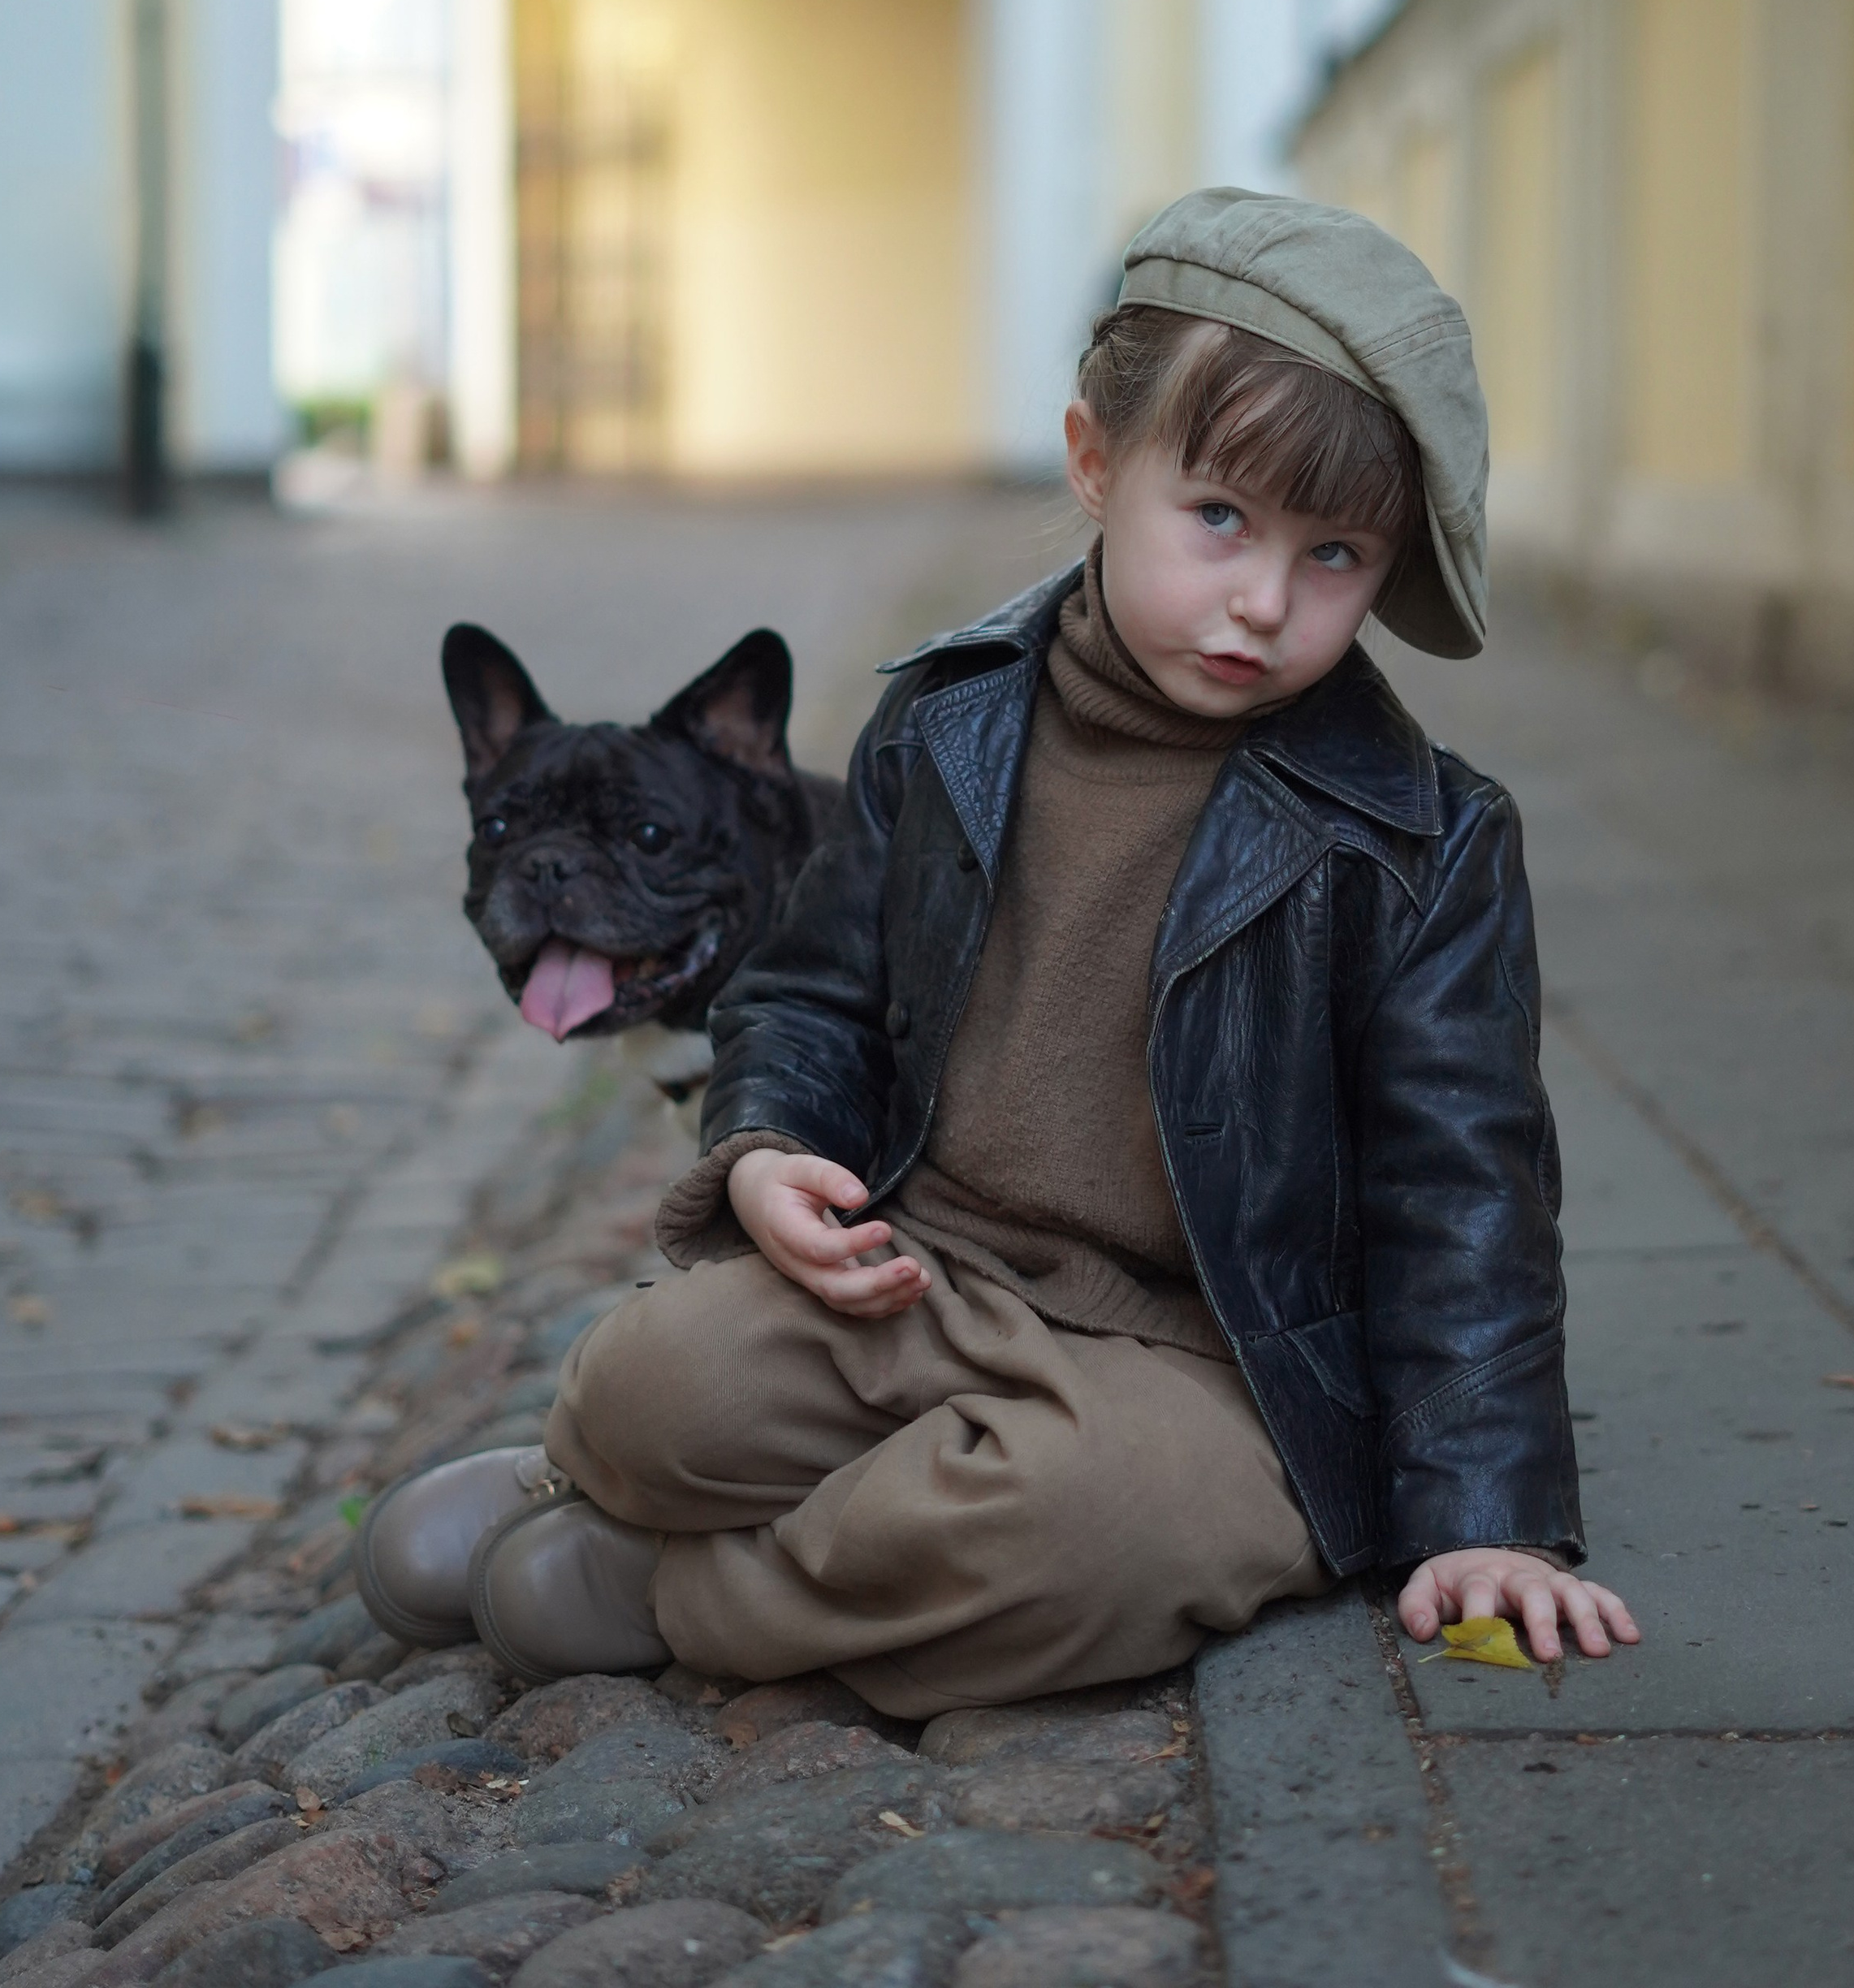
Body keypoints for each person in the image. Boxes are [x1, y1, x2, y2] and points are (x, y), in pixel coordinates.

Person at [355, 188, 1639, 1714]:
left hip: (1218, 1357)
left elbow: (1466, 1185)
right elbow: (812, 986)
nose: (1263, 600)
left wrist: (1489, 1518)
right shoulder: (950, 722)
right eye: (1218, 516)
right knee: (651, 1384)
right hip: (930, 1271)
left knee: (1094, 1537)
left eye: (1335, 556)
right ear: (1098, 462)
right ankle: (614, 1476)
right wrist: (768, 1146)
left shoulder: (1424, 842)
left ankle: (686, 1588)